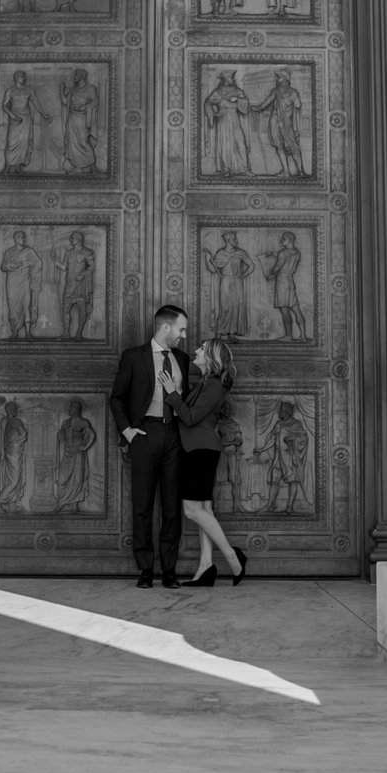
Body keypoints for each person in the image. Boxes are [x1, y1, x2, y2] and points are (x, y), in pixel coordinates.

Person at [107, 305, 193, 588]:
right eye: (181, 329)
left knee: (171, 507)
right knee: (142, 506)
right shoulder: (134, 357)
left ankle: (169, 570)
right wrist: (129, 432)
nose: (183, 335)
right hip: (144, 435)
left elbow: (187, 400)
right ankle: (145, 569)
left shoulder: (181, 358)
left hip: (174, 437)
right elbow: (117, 398)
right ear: (165, 327)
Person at [168, 337, 247, 586]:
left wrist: (172, 394)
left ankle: (234, 559)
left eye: (201, 349)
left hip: (201, 450)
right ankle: (205, 568)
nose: (195, 351)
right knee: (204, 510)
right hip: (197, 448)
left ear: (211, 355)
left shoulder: (214, 384)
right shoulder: (206, 383)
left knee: (192, 510)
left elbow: (190, 417)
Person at [204, 231, 253, 337]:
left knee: (237, 307)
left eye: (236, 238)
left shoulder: (240, 253)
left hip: (237, 282)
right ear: (227, 240)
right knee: (225, 307)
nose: (236, 240)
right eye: (234, 238)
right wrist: (207, 259)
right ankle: (219, 333)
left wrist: (242, 275)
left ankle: (232, 333)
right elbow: (213, 269)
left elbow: (252, 266)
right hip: (225, 282)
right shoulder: (221, 253)